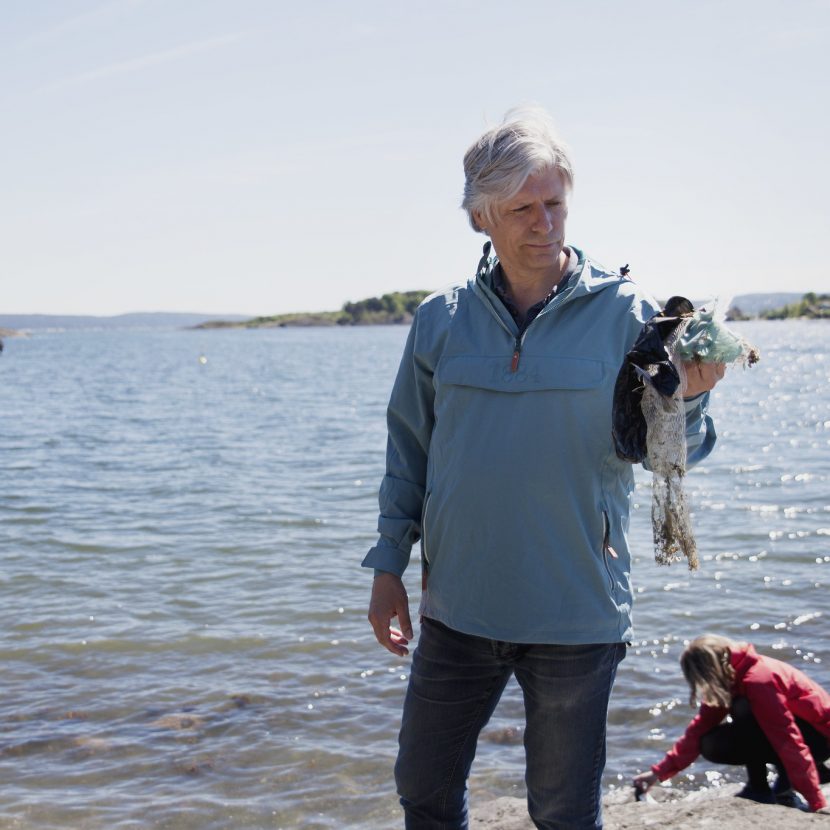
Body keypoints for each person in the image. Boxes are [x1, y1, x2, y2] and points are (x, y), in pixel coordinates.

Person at [363, 106, 722, 829]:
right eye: (522, 209)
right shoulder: (440, 320)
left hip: (576, 614)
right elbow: (409, 449)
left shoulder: (628, 315)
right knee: (423, 791)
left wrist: (689, 399)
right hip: (459, 607)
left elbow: (674, 454)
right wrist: (386, 567)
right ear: (481, 220)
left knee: (562, 812)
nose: (544, 223)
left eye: (554, 203)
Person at [633, 634, 830, 813]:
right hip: (802, 735)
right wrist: (657, 773)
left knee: (743, 709)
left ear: (710, 670)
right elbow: (699, 728)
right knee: (710, 742)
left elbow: (788, 741)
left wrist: (816, 803)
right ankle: (778, 784)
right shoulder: (733, 676)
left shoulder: (759, 680)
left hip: (820, 739)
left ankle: (764, 787)